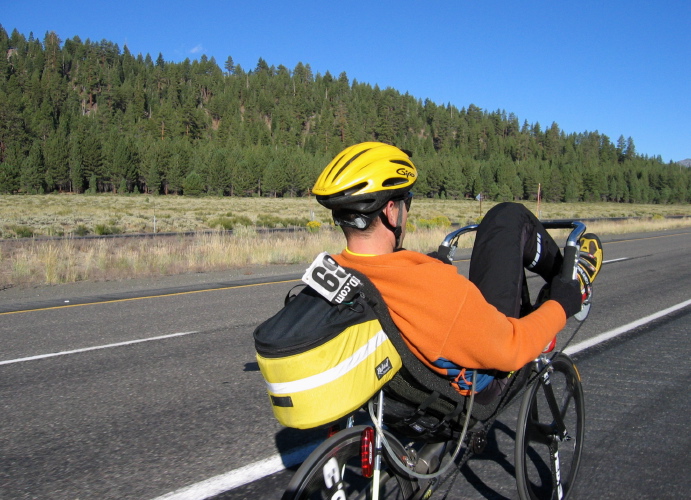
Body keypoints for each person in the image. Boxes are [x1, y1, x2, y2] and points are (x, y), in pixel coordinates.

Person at [312, 142, 603, 401]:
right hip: (479, 385)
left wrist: (427, 266)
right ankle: (572, 278)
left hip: (409, 384)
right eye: (406, 202)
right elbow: (512, 348)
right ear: (390, 211)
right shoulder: (435, 287)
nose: (406, 211)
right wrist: (560, 306)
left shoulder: (331, 273)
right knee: (507, 217)